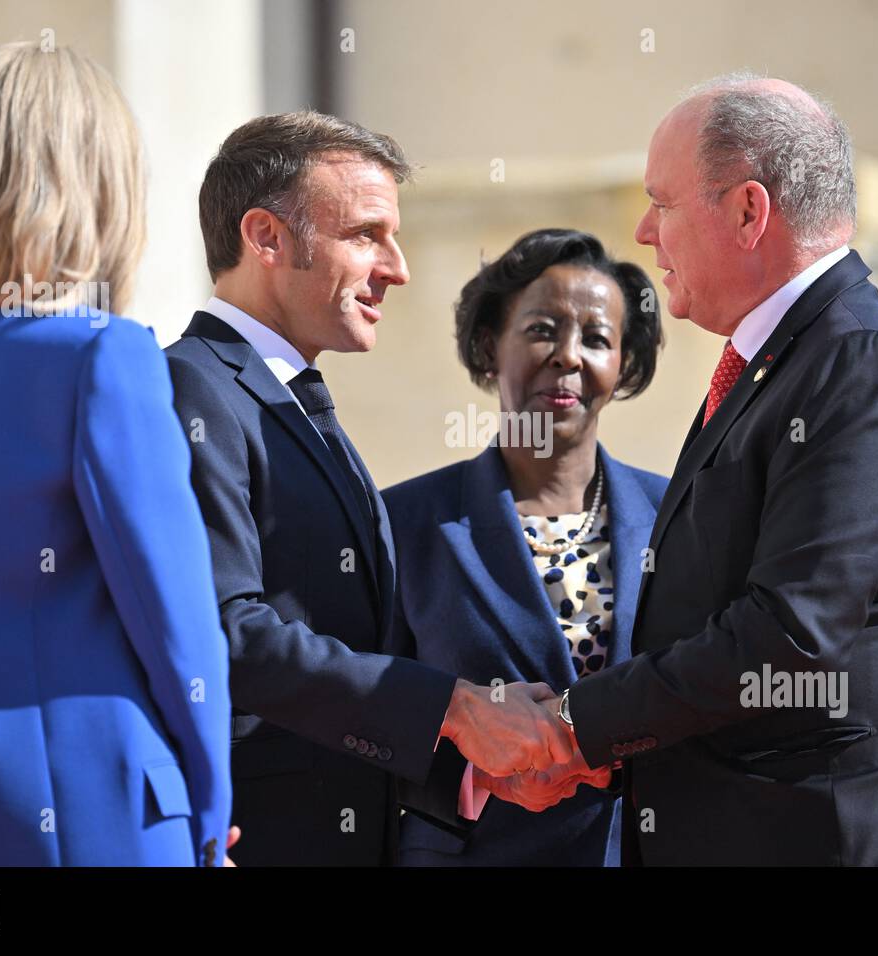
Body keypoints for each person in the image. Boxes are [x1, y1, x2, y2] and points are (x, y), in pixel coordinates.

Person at [554, 73, 878, 865]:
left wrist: (572, 725)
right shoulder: (788, 358)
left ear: (748, 211)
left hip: (849, 838)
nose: (644, 232)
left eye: (662, 203)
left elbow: (790, 633)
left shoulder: (860, 363)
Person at [0, 42, 231, 866]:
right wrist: (209, 803)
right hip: (87, 817)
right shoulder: (101, 357)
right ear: (96, 189)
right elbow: (176, 624)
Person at [165, 112, 575, 866]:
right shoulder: (190, 390)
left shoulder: (291, 399)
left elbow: (349, 660)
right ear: (266, 238)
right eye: (365, 234)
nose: (397, 267)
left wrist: (475, 758)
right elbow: (226, 634)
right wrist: (454, 710)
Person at [383, 228, 666, 866]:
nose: (568, 356)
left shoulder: (679, 515)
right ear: (490, 345)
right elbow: (368, 713)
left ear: (622, 368)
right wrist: (472, 772)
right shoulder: (407, 522)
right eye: (542, 329)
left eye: (597, 339)